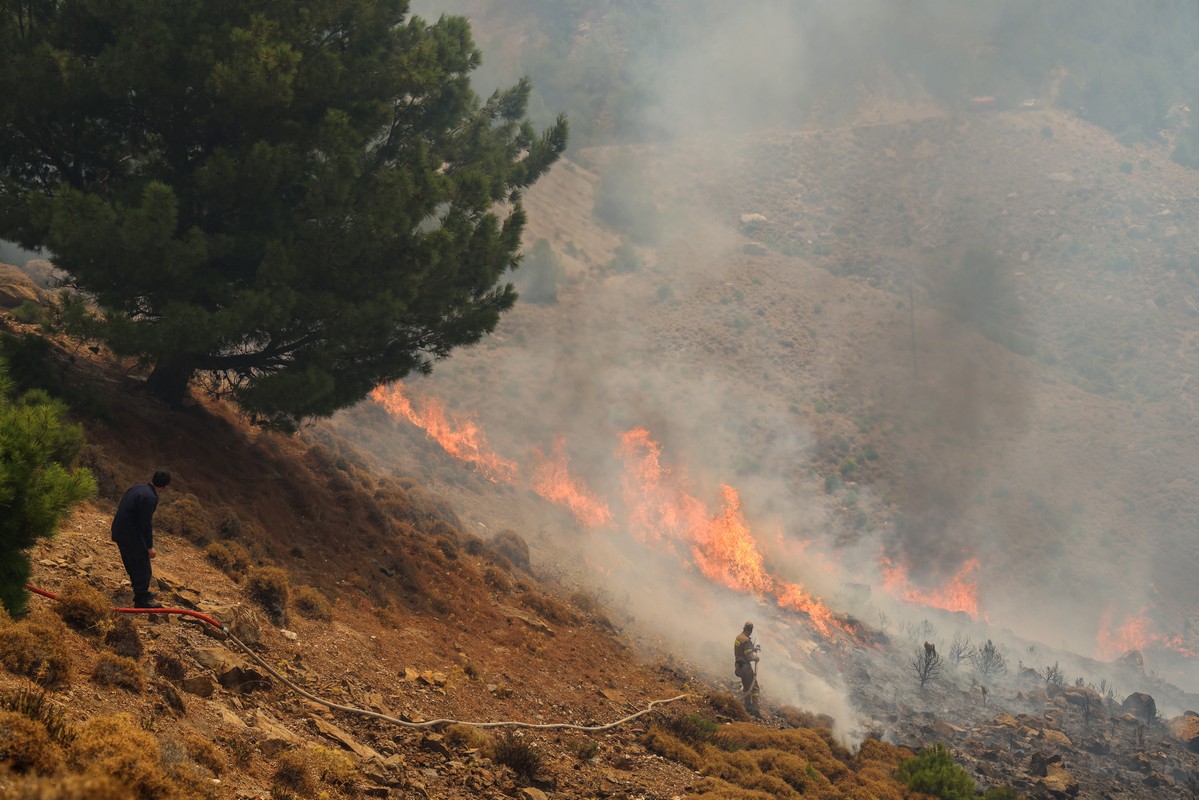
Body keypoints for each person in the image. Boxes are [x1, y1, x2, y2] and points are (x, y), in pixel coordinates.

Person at [111, 471, 171, 608]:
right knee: (143, 566)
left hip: (119, 530)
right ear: (165, 487)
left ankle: (139, 590)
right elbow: (146, 524)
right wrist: (150, 547)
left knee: (131, 561)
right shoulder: (150, 497)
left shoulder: (137, 488)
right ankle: (141, 600)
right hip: (130, 534)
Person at [734, 620, 761, 716]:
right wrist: (756, 657)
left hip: (739, 667)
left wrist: (754, 649)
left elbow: (743, 650)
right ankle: (755, 709)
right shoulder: (746, 640)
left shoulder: (739, 637)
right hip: (746, 668)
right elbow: (749, 657)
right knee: (755, 688)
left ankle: (747, 707)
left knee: (746, 687)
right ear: (750, 630)